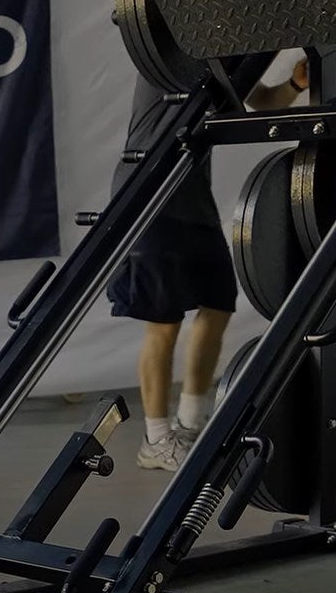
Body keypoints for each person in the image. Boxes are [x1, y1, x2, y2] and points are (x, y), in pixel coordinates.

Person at [107, 57, 310, 470]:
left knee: (217, 305)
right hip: (149, 185)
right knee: (164, 321)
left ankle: (190, 426)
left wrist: (294, 82)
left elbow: (265, 101)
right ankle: (156, 439)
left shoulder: (227, 57)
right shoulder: (173, 47)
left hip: (193, 194)